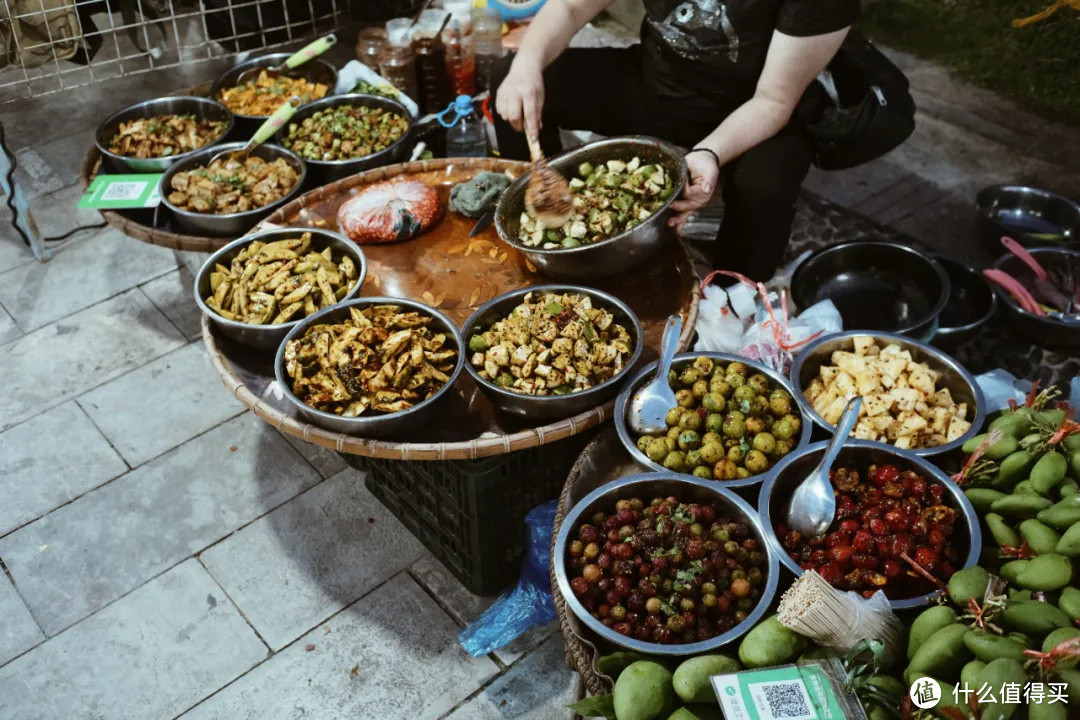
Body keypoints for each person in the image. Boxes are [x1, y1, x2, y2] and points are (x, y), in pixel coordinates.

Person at [492, 0, 859, 281]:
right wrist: (527, 64)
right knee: (511, 78)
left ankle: (731, 298)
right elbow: (570, 8)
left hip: (753, 111)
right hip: (657, 86)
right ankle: (546, 237)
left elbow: (774, 101)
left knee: (765, 183)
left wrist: (709, 153)